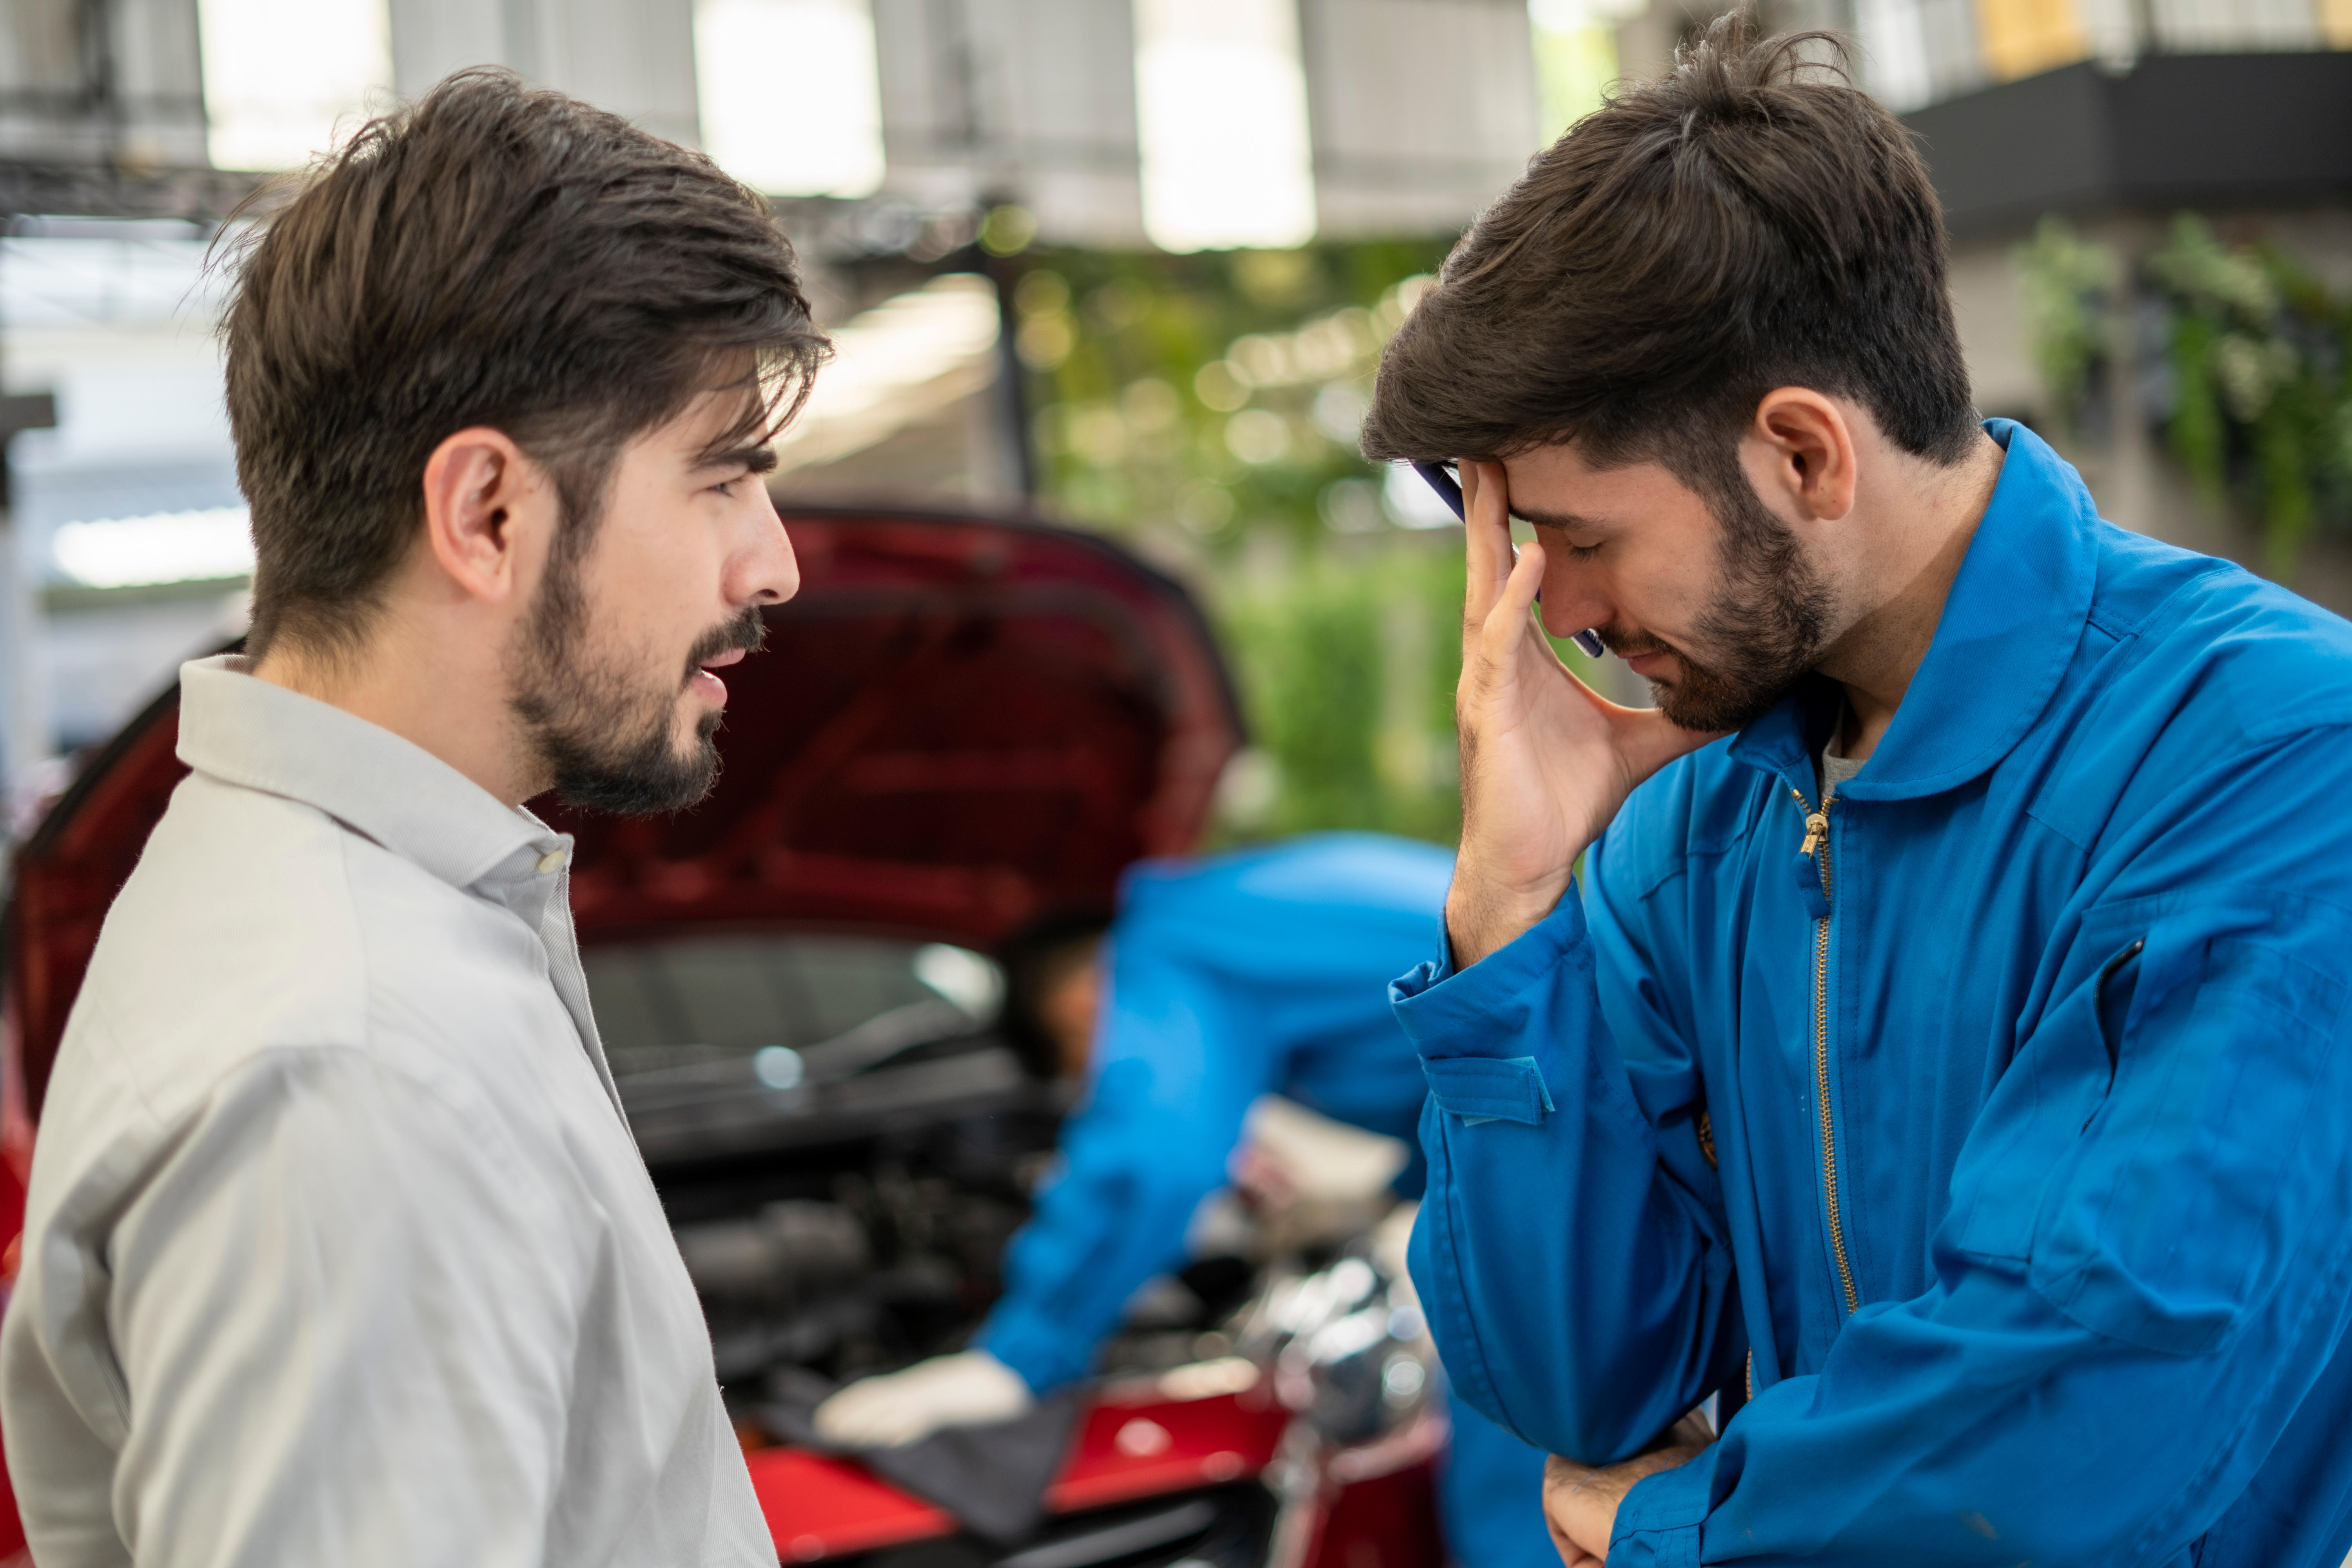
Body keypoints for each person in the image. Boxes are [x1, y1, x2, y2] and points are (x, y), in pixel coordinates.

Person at [1359, 18, 2352, 1568]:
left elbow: (2084, 1409)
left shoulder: (2268, 753)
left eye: (1577, 537)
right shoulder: (1694, 820)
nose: (1552, 619)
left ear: (1805, 454)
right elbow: (1579, 1381)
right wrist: (1511, 920)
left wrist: (1679, 1529)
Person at [0, 73, 825, 1565]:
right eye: (721, 479)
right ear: (487, 515)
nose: (773, 566)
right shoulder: (355, 1067)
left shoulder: (335, 910)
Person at [813, 833, 1559, 1568]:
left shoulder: (1163, 951)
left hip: (1583, 1098)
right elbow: (1439, 1077)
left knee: (1527, 1422)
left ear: (1078, 1006)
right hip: (1598, 1064)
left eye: (1089, 1067)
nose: (1106, 1069)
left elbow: (1153, 1151)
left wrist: (1022, 1353)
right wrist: (1391, 1195)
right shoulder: (1238, 912)